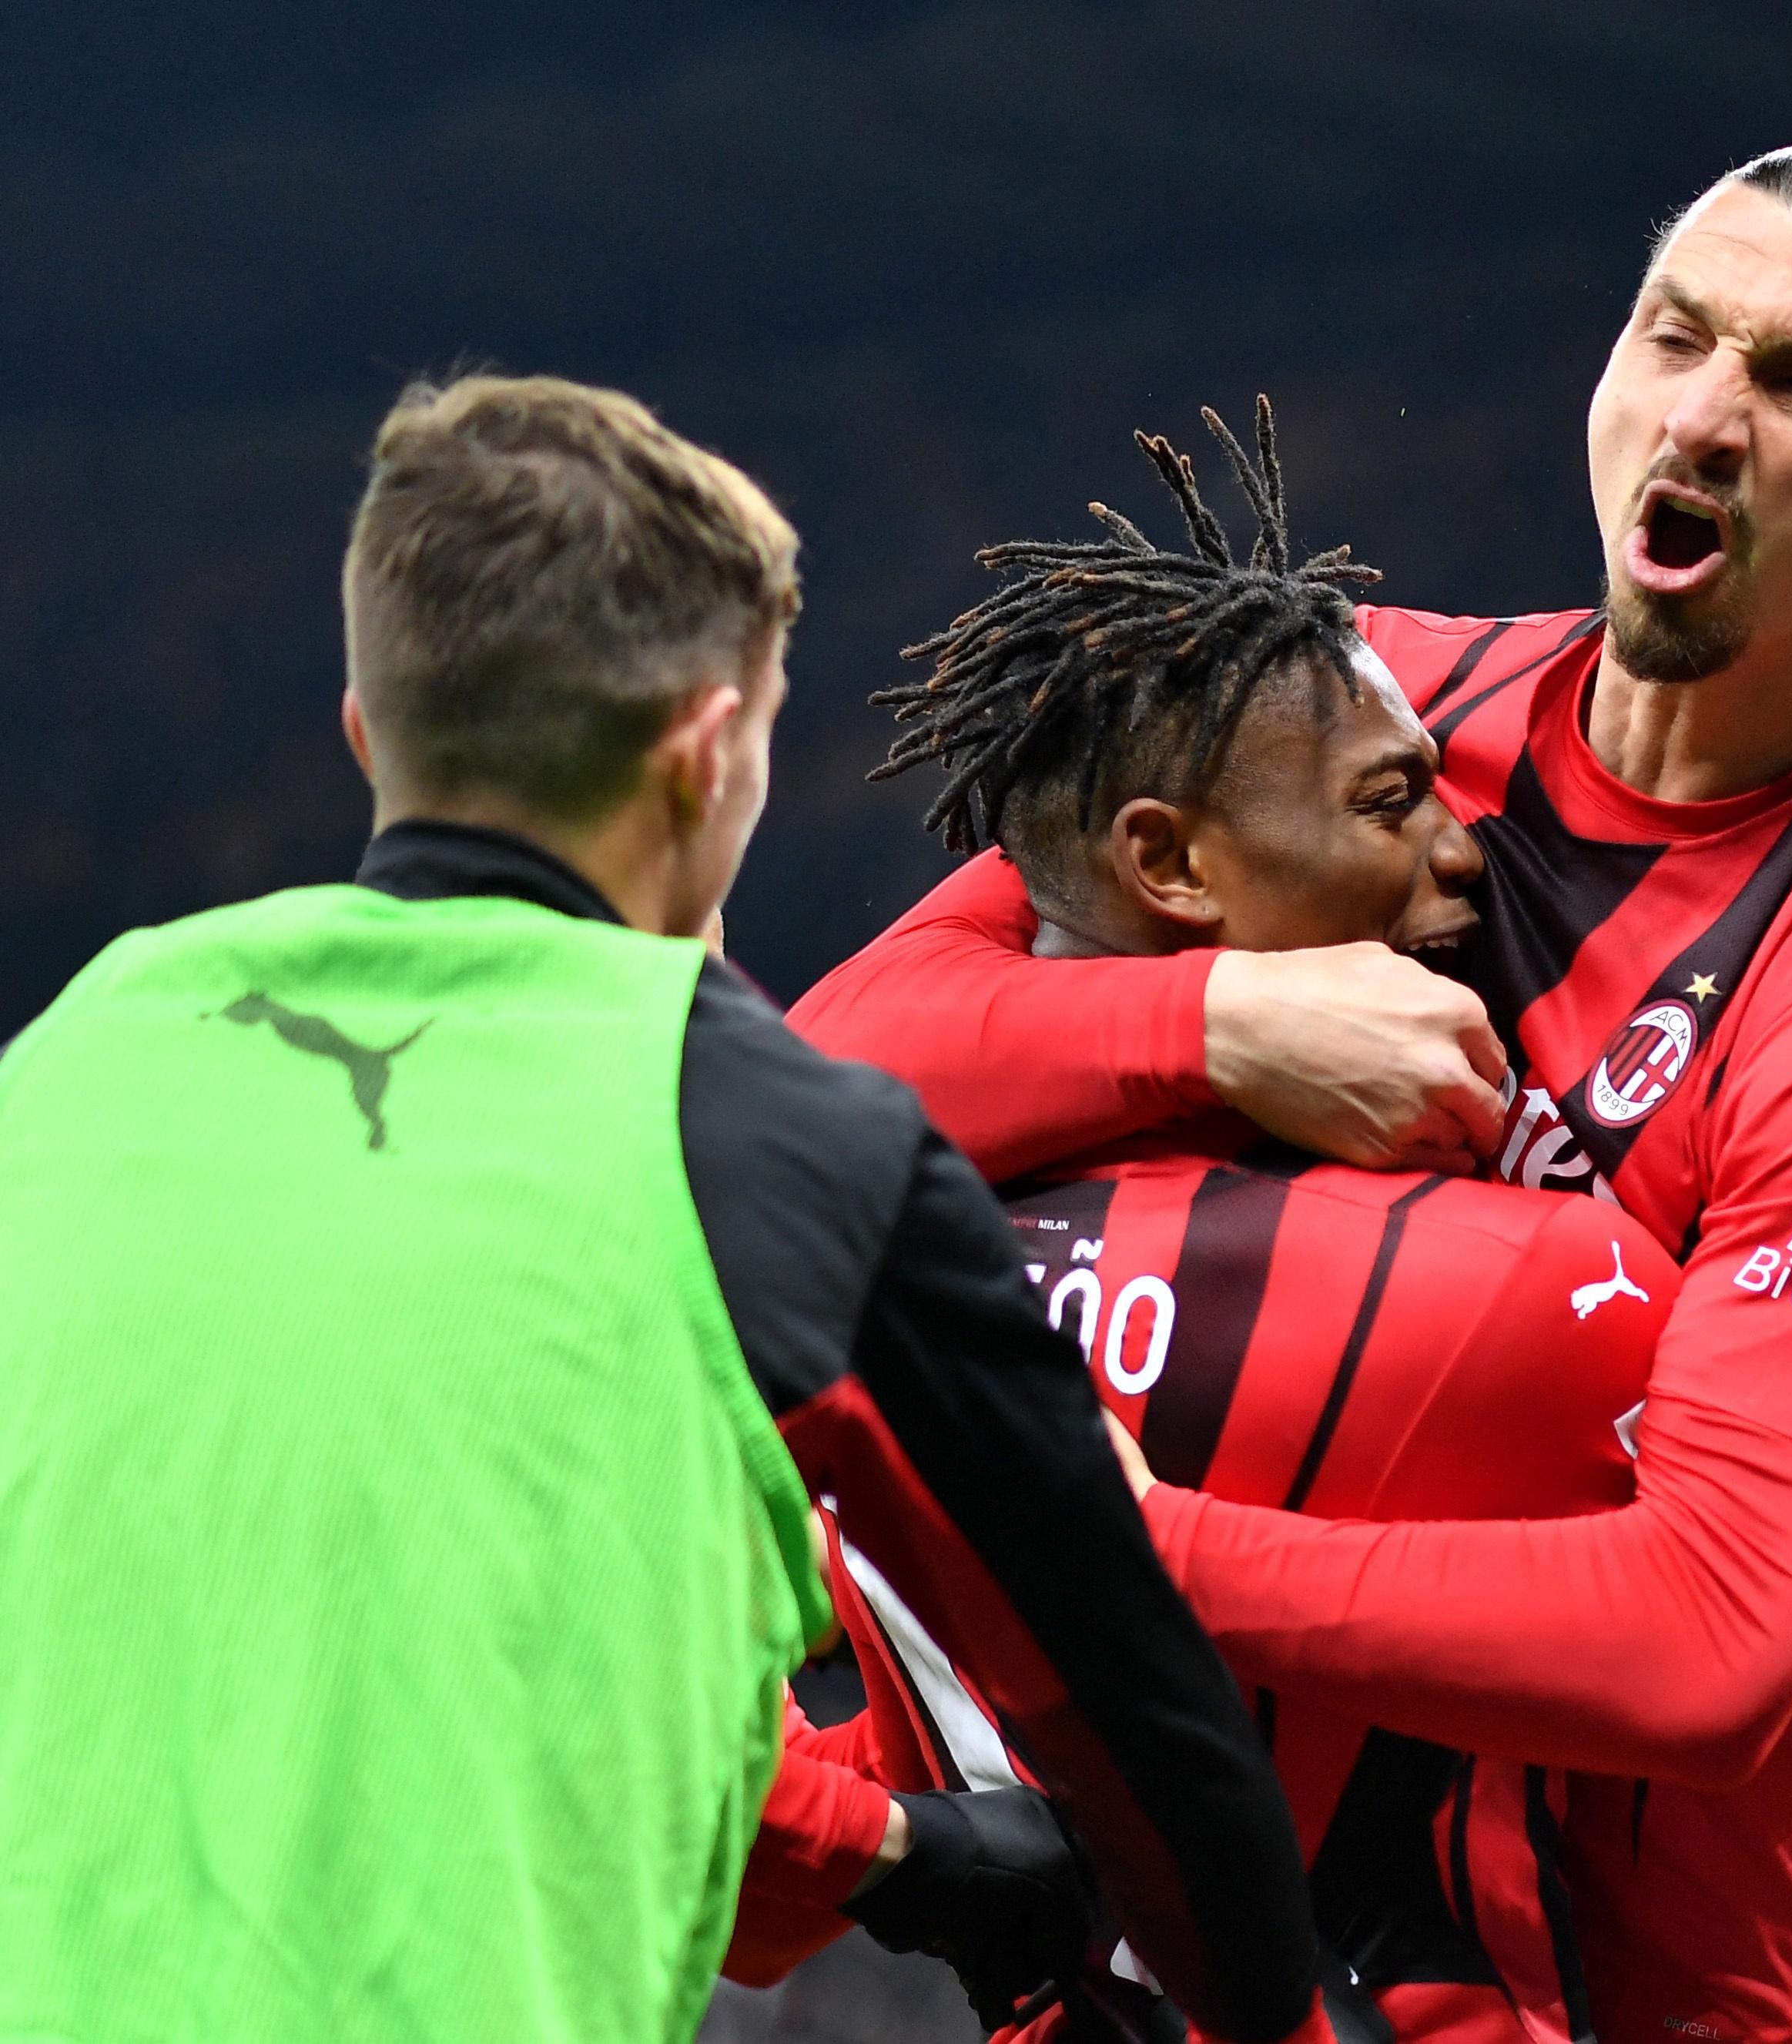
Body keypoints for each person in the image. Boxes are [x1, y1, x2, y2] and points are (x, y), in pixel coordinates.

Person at [795, 143, 1792, 2044]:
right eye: (1674, 337)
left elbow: (1715, 1635)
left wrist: (1125, 1555)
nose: (1704, 419)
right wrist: (1215, 1020)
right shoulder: (1352, 712)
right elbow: (828, 1078)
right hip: (1229, 1945)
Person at [0, 374, 1347, 2044]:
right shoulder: (773, 1141)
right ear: (712, 757)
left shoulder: (73, 1054)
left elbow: (430, 1664)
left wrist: (902, 1855)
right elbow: (1141, 1728)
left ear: (364, 730)